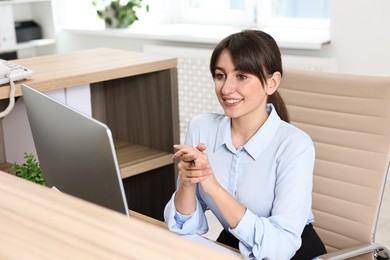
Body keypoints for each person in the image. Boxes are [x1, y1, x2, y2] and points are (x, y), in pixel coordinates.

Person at [164, 29, 326, 259]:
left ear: (272, 83)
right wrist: (189, 183)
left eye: (241, 76)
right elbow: (185, 227)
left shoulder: (295, 145)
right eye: (220, 75)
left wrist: (213, 187)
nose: (226, 89)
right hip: (234, 243)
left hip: (291, 251)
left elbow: (281, 247)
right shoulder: (202, 127)